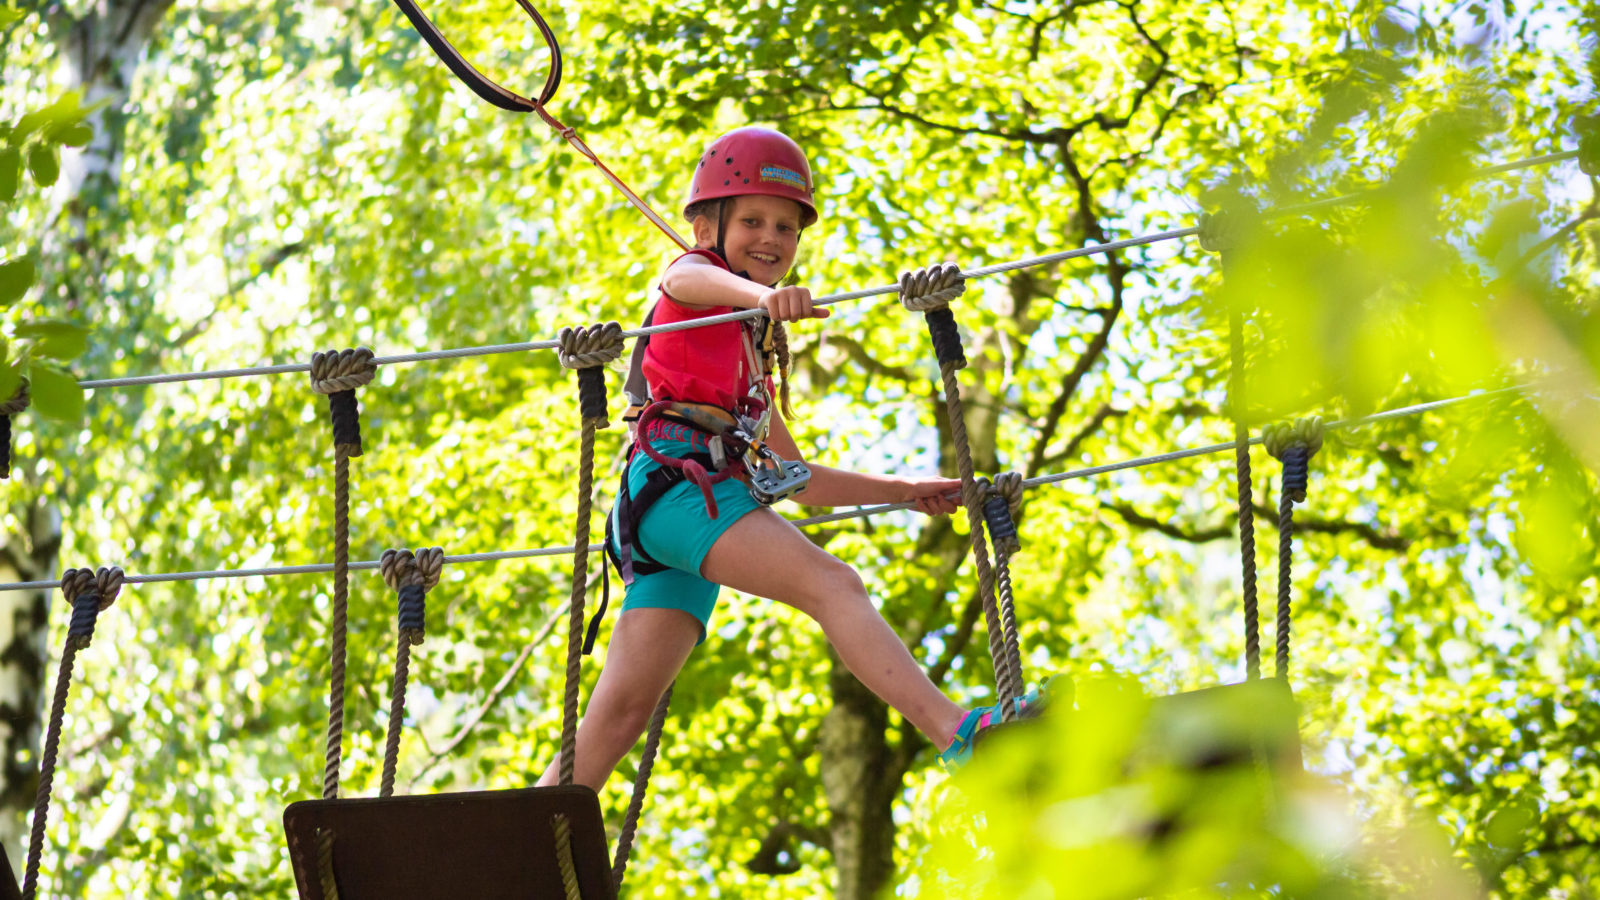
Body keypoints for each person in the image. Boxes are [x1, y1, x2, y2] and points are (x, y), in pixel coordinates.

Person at [535, 126, 1034, 792]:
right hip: (682, 496)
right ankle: (959, 734)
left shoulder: (749, 360)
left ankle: (531, 831)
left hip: (677, 516)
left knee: (620, 717)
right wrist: (762, 299)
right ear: (709, 225)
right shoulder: (693, 289)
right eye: (751, 221)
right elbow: (681, 274)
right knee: (835, 585)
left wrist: (906, 490)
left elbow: (801, 483)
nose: (771, 238)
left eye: (785, 228)